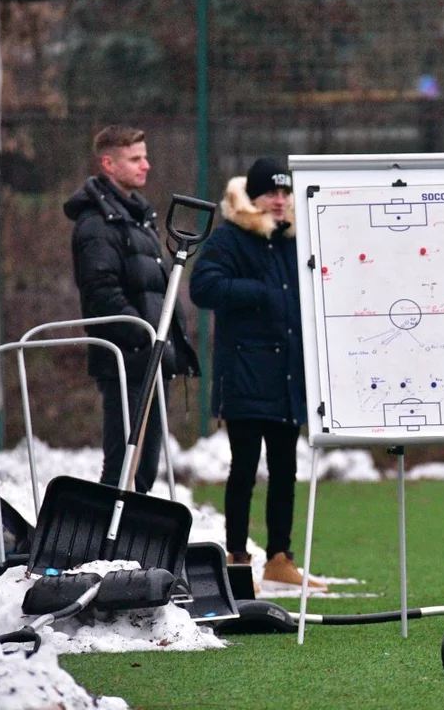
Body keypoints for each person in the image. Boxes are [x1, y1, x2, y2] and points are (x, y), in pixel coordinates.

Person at [189, 157, 324, 589]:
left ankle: (281, 558)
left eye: (285, 193)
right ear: (254, 197)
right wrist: (260, 293)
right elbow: (203, 287)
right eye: (272, 193)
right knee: (244, 469)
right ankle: (237, 558)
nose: (280, 201)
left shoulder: (294, 241)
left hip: (286, 377)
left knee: (285, 469)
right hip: (244, 376)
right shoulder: (229, 238)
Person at [65, 125, 200, 494]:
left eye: (145, 156)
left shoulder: (137, 217)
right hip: (129, 361)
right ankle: (104, 543)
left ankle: (128, 544)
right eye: (135, 158)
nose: (147, 166)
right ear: (108, 163)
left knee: (141, 471)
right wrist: (144, 335)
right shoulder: (97, 224)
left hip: (150, 360)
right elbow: (101, 294)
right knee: (123, 467)